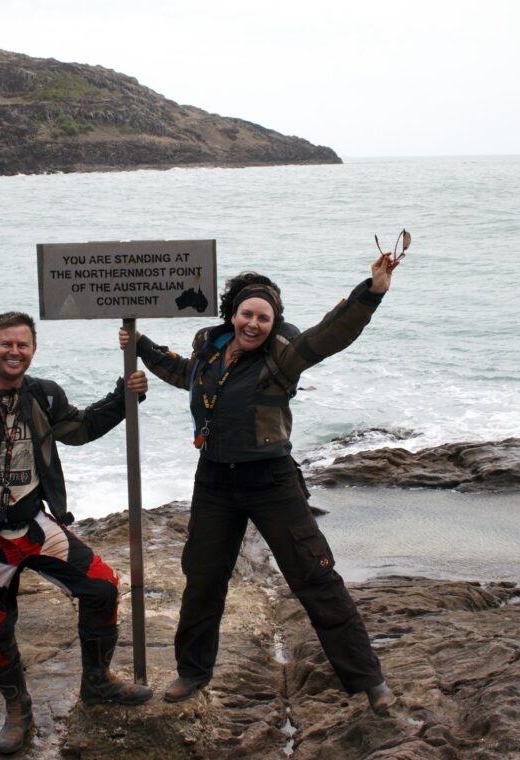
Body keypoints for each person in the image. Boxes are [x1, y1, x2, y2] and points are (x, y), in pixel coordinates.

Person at [119, 250, 401, 716]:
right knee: (203, 580)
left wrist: (370, 292)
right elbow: (183, 375)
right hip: (214, 480)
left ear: (274, 322)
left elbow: (332, 333)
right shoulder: (210, 352)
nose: (254, 324)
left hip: (271, 480)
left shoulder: (283, 358)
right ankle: (192, 672)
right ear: (233, 313)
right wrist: (140, 344)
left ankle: (369, 680)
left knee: (316, 577)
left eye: (264, 317)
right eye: (247, 313)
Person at [0, 311, 152, 756]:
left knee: (102, 587)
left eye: (23, 345)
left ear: (33, 350)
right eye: (6, 344)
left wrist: (124, 394)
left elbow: (80, 429)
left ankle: (97, 683)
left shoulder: (44, 395)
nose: (14, 352)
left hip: (34, 524)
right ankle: (17, 711)